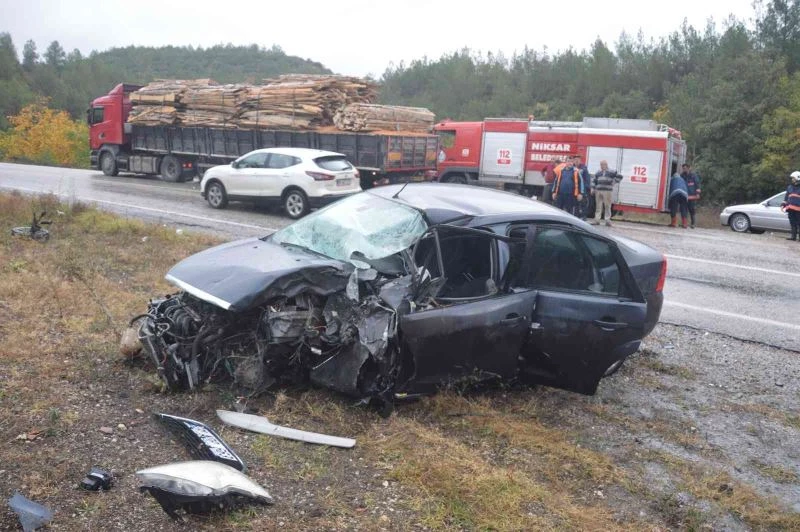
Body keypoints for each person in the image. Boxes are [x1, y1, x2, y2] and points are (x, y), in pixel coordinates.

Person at [592, 160, 622, 226]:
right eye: (601, 165)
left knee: (607, 205)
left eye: (603, 164)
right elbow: (594, 180)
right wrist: (593, 188)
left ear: (606, 165)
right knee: (598, 206)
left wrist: (614, 182)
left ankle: (607, 220)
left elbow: (620, 176)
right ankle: (597, 220)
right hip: (598, 190)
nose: (602, 166)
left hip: (607, 191)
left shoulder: (612, 171)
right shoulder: (598, 172)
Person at [680, 163, 702, 228]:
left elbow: (697, 185)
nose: (684, 170)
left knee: (692, 210)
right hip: (684, 196)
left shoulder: (693, 176)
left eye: (685, 168)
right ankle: (684, 224)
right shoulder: (682, 176)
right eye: (683, 168)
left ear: (689, 168)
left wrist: (697, 194)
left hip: (692, 196)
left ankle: (693, 224)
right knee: (684, 210)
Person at [780, 170, 800, 241]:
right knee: (792, 223)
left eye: (793, 178)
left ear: (798, 178)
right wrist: (783, 204)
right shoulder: (789, 187)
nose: (792, 179)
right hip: (790, 208)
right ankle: (793, 237)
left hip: (799, 210)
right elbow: (786, 197)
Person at [574, 155, 592, 220]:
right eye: (575, 160)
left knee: (583, 203)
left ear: (580, 161)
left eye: (578, 160)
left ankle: (584, 216)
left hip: (582, 188)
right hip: (574, 189)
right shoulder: (572, 167)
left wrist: (586, 188)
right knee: (575, 203)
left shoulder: (583, 168)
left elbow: (587, 178)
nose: (576, 161)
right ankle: (576, 216)